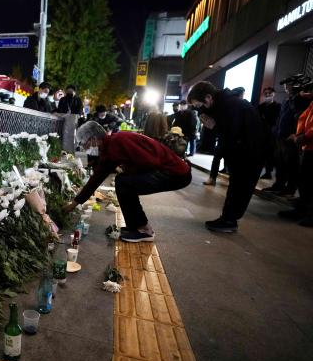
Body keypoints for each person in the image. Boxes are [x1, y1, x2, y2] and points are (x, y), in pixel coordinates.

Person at [62, 121, 191, 242]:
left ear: (94, 139)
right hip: (170, 171)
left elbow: (150, 162)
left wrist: (128, 171)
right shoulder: (109, 150)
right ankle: (135, 227)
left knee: (124, 183)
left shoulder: (120, 140)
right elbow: (96, 179)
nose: (84, 148)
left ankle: (145, 230)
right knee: (123, 182)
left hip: (176, 173)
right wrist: (74, 203)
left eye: (84, 144)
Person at [187, 81, 267, 232]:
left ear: (209, 98)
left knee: (240, 187)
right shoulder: (225, 104)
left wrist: (214, 127)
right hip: (245, 151)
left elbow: (232, 133)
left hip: (250, 153)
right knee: (237, 186)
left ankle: (229, 221)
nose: (200, 110)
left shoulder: (231, 105)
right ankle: (228, 218)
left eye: (200, 105)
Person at [278, 96, 313, 227]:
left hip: (310, 142)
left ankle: (309, 214)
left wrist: (306, 135)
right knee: (304, 181)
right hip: (308, 145)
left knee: (309, 182)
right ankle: (302, 210)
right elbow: (303, 118)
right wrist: (300, 135)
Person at [264, 78, 300, 196]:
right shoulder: (286, 100)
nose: (286, 87)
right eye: (285, 85)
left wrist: (296, 133)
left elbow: (299, 118)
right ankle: (279, 185)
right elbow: (281, 117)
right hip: (280, 136)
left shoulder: (298, 100)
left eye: (288, 85)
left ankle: (290, 188)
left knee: (290, 164)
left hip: (290, 137)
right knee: (279, 163)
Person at [202, 88, 246, 186]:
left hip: (235, 139)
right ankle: (212, 178)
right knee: (217, 157)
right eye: (241, 94)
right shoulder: (227, 106)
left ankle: (232, 180)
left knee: (232, 160)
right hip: (224, 137)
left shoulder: (242, 106)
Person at [257, 87, 281, 179]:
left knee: (269, 153)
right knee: (260, 153)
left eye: (269, 93)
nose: (267, 95)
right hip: (261, 133)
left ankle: (268, 172)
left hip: (272, 133)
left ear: (273, 94)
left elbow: (276, 120)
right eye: (265, 93)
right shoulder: (260, 106)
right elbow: (258, 119)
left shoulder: (278, 106)